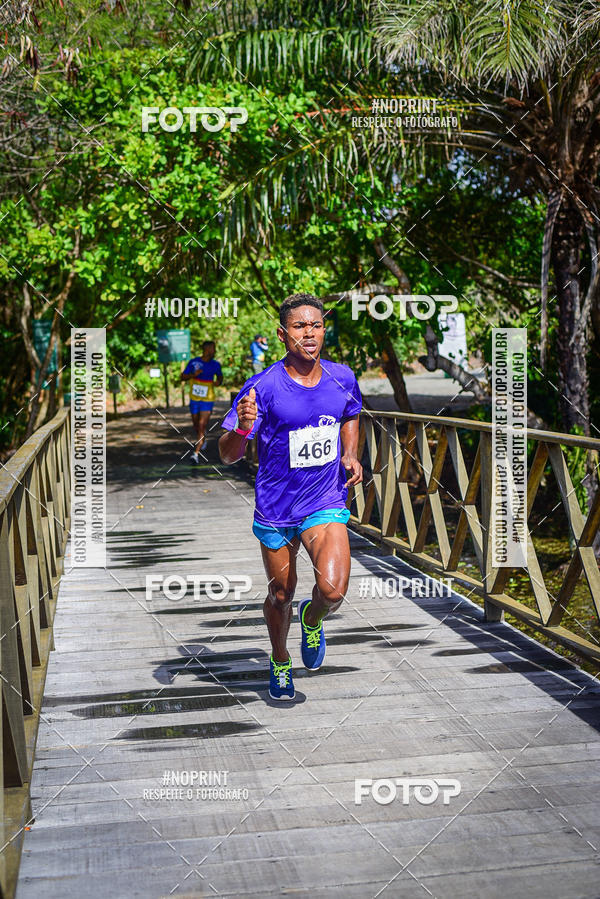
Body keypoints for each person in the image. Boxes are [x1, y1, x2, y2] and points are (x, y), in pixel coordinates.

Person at [219, 294, 363, 700]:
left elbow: (350, 413)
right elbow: (227, 455)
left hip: (324, 498)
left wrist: (350, 453)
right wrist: (244, 429)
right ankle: (280, 658)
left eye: (315, 325)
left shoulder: (342, 377)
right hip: (277, 506)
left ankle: (313, 617)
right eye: (299, 327)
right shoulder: (261, 387)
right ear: (283, 335)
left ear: (323, 330)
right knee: (280, 593)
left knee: (332, 590)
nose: (309, 333)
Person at [181, 340, 223, 463]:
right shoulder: (194, 362)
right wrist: (193, 375)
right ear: (207, 349)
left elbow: (220, 377)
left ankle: (195, 453)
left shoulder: (215, 364)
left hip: (208, 398)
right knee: (196, 424)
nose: (214, 351)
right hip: (194, 398)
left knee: (201, 425)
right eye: (213, 349)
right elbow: (182, 377)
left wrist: (218, 382)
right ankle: (202, 436)